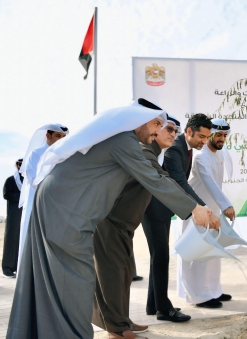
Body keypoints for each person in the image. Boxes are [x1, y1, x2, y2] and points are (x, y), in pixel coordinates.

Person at [6, 99, 212, 339]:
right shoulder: (123, 141)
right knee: (78, 279)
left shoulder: (125, 141)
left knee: (61, 279)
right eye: (156, 123)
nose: (159, 130)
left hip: (65, 209)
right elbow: (154, 179)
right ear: (138, 120)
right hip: (64, 211)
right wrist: (193, 208)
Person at [92, 115, 197, 339]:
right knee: (112, 275)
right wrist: (196, 208)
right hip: (110, 222)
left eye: (174, 130)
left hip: (123, 224)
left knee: (124, 273)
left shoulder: (151, 154)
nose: (171, 133)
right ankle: (117, 330)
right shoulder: (143, 152)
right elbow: (163, 181)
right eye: (164, 127)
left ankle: (123, 321)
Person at [142, 113, 220, 318]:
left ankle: (154, 305)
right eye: (201, 137)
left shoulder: (186, 148)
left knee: (158, 257)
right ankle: (163, 309)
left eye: (207, 137)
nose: (205, 141)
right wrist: (202, 208)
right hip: (154, 209)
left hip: (162, 209)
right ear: (189, 132)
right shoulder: (176, 149)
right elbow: (180, 182)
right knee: (161, 256)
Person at [177, 118, 235, 308]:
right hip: (198, 212)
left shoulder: (220, 153)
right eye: (218, 135)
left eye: (225, 135)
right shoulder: (201, 156)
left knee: (212, 254)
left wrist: (221, 208)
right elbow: (210, 184)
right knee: (196, 255)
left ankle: (213, 291)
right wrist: (226, 205)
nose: (221, 139)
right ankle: (198, 296)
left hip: (214, 212)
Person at [17, 123, 69, 271]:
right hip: (36, 203)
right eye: (58, 136)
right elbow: (34, 180)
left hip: (58, 205)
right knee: (31, 239)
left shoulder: (65, 155)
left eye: (63, 137)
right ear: (48, 136)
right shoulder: (36, 154)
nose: (61, 139)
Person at [2, 159, 23, 278]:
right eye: (19, 164)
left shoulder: (27, 180)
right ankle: (7, 268)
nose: (21, 166)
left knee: (22, 240)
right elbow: (6, 194)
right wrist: (22, 197)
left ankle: (19, 266)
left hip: (25, 216)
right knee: (11, 240)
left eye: (23, 164)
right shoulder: (10, 180)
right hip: (14, 216)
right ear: (17, 166)